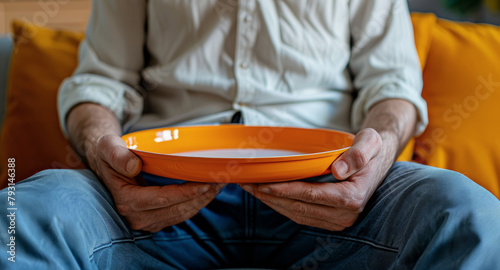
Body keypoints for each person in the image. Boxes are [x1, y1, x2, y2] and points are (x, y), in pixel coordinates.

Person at [2, 0, 500, 269]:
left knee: (473, 216)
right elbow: (101, 80)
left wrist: (379, 151)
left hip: (331, 196)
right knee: (17, 218)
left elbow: (392, 88)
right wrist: (101, 149)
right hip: (154, 197)